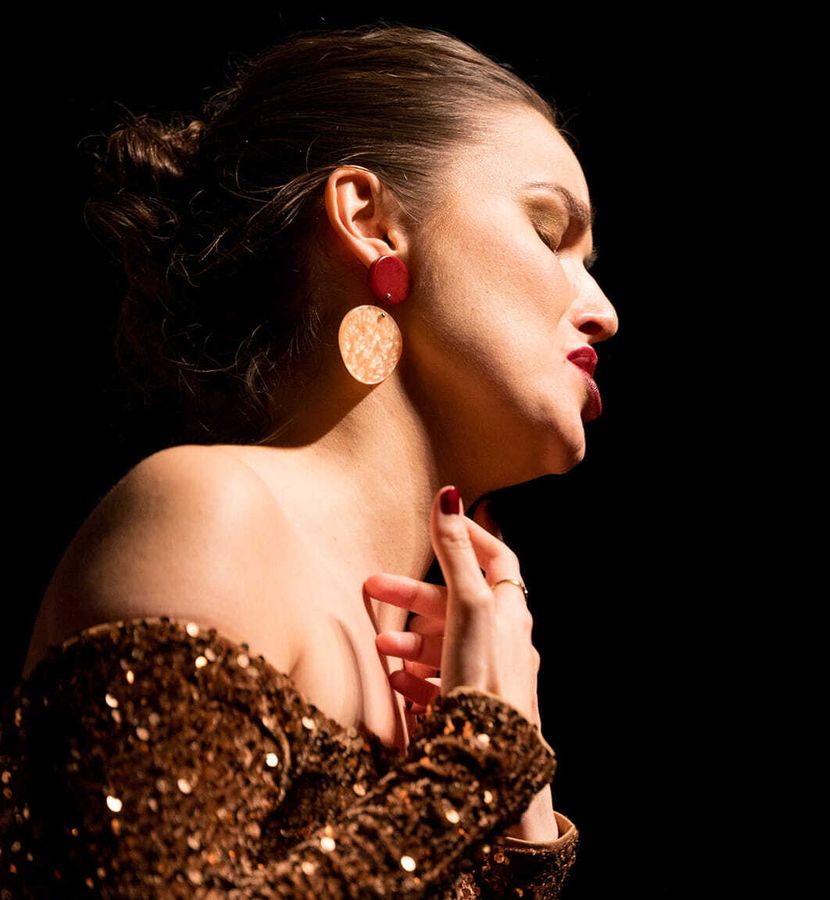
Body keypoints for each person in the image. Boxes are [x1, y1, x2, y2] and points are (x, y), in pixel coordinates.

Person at [0, 21, 616, 897]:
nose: (602, 312)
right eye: (548, 229)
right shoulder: (207, 512)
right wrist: (477, 763)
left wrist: (522, 818)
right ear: (370, 223)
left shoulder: (443, 677)